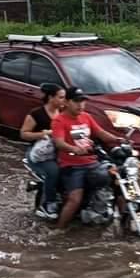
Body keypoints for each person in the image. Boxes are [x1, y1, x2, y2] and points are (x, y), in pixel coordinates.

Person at [51, 86, 124, 229]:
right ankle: (59, 231)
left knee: (119, 183)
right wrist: (74, 149)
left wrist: (119, 140)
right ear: (66, 102)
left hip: (92, 162)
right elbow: (58, 142)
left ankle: (124, 221)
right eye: (76, 101)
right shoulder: (59, 121)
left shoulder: (86, 117)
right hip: (72, 166)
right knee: (75, 199)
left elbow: (101, 133)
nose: (81, 105)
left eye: (83, 101)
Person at [21, 83, 66, 219]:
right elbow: (23, 134)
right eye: (61, 98)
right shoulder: (36, 114)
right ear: (51, 98)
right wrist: (42, 134)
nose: (64, 101)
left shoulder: (63, 113)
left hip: (58, 152)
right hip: (39, 155)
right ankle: (48, 204)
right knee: (54, 172)